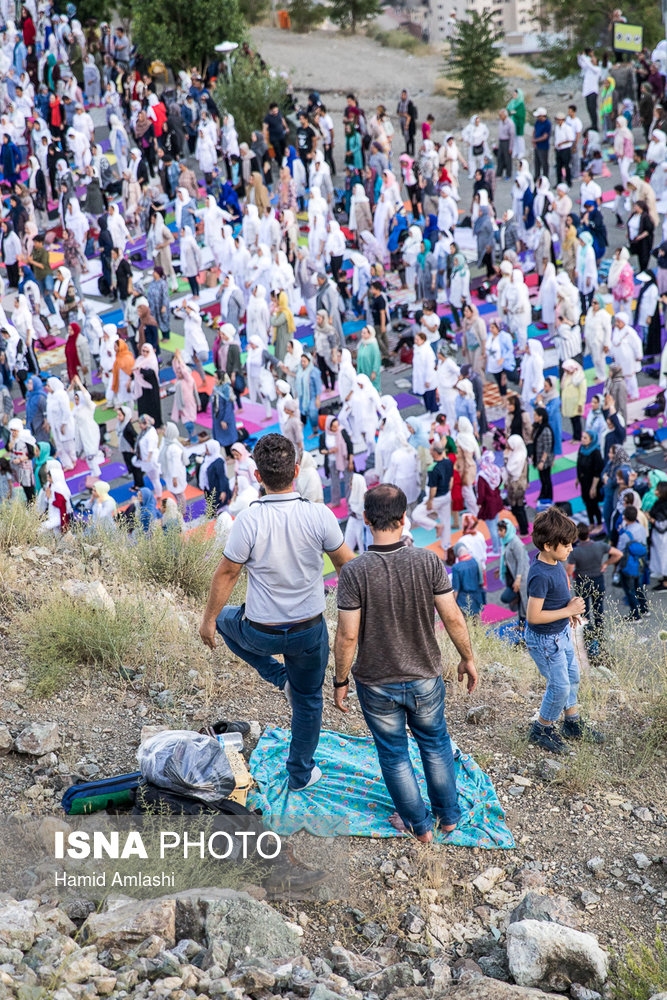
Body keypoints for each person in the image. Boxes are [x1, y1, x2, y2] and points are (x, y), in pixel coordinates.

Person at [199, 434, 354, 792]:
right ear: (296, 471)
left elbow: (227, 573)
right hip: (308, 631)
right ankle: (300, 773)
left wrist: (208, 621)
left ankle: (277, 676)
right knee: (309, 701)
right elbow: (348, 566)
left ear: (257, 476)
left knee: (224, 622)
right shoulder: (319, 515)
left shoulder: (249, 521)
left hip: (261, 630)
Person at [333, 483, 477, 842]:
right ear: (404, 519)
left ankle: (418, 826)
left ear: (365, 519)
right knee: (435, 743)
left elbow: (347, 636)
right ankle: (448, 819)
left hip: (375, 682)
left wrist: (340, 681)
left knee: (394, 754)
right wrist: (467, 658)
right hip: (425, 676)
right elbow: (454, 618)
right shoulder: (427, 560)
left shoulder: (354, 572)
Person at [525, 506, 604, 753]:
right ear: (548, 545)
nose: (571, 548)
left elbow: (558, 595)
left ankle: (572, 723)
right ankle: (541, 729)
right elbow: (533, 616)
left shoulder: (556, 561)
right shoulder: (539, 574)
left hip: (560, 634)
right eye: (567, 544)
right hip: (545, 641)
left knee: (573, 678)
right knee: (559, 687)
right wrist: (567, 611)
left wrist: (567, 609)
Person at [566, 522, 611, 652]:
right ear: (589, 533)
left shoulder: (575, 552)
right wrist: (606, 563)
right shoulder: (599, 545)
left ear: (577, 536)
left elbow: (569, 570)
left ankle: (588, 635)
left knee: (584, 611)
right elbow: (617, 553)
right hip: (598, 579)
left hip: (582, 582)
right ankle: (600, 635)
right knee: (598, 608)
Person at [607, 505, 649, 620]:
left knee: (630, 590)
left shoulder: (625, 535)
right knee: (639, 586)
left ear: (624, 517)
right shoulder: (640, 527)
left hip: (628, 565)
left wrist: (610, 564)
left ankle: (636, 615)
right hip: (640, 561)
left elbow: (619, 552)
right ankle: (644, 608)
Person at [410, 442, 453, 547]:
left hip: (436, 498)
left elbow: (433, 488)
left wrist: (430, 501)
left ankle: (436, 526)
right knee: (446, 520)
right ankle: (446, 544)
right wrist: (447, 491)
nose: (429, 451)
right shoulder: (448, 462)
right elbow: (451, 480)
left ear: (434, 452)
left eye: (431, 449)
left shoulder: (433, 468)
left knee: (416, 515)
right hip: (446, 495)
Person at [498, 519, 530, 626]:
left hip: (519, 576)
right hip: (512, 576)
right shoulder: (506, 542)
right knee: (521, 601)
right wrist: (501, 568)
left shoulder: (516, 543)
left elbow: (522, 561)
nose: (499, 533)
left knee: (508, 598)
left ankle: (527, 624)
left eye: (501, 530)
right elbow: (508, 559)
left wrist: (518, 579)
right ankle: (521, 625)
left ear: (507, 530)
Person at [449, 541, 485, 617]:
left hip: (464, 599)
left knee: (467, 622)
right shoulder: (476, 561)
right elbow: (481, 580)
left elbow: (456, 588)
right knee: (478, 620)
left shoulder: (456, 567)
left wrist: (453, 604)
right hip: (477, 595)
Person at [576, 431, 604, 526]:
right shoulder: (582, 448)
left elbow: (597, 471)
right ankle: (591, 522)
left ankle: (599, 523)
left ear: (591, 440)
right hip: (584, 481)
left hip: (592, 481)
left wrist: (593, 487)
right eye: (582, 437)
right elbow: (578, 464)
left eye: (585, 438)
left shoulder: (596, 452)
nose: (582, 440)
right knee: (586, 502)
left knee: (593, 503)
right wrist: (577, 477)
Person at [504, 434, 530, 536]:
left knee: (517, 508)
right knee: (518, 507)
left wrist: (506, 457)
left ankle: (524, 530)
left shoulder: (518, 456)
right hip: (516, 484)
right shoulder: (518, 452)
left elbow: (511, 470)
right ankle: (524, 525)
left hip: (517, 486)